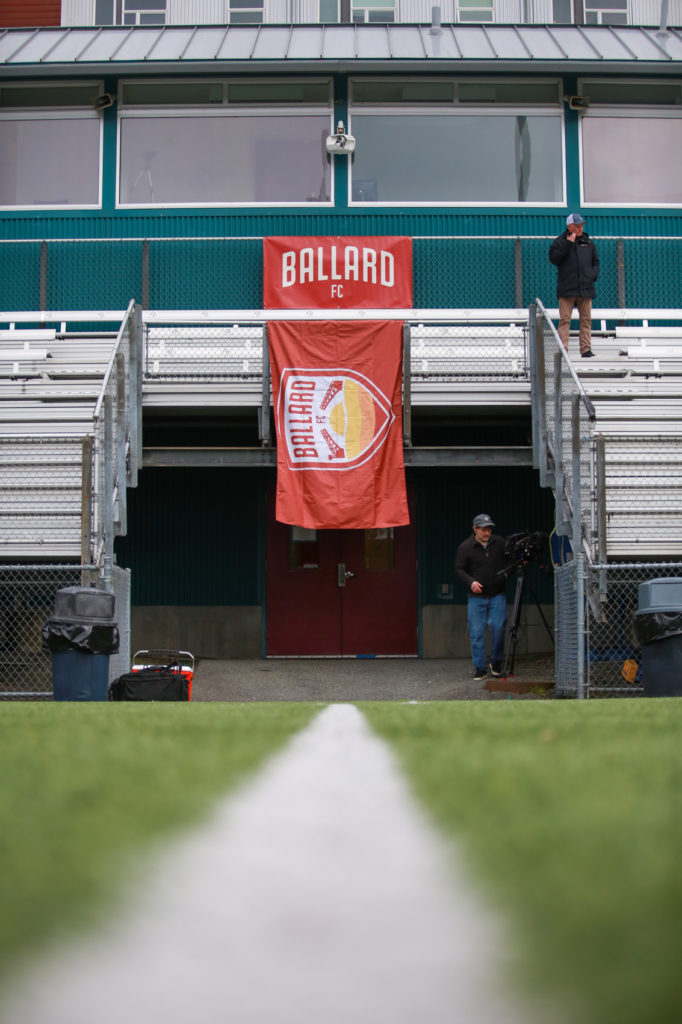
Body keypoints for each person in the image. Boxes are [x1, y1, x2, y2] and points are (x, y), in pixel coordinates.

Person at [455, 513, 510, 681]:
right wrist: (471, 582)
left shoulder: (499, 543)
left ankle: (496, 662)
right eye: (484, 530)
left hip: (497, 594)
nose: (487, 533)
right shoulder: (465, 547)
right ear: (475, 529)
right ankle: (480, 668)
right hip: (476, 597)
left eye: (489, 529)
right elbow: (459, 568)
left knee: (498, 627)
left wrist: (506, 574)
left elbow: (512, 560)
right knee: (476, 632)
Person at [549, 213, 600, 358]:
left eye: (581, 225)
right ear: (569, 226)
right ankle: (563, 350)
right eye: (577, 226)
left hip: (585, 287)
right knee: (565, 320)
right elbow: (554, 259)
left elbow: (595, 262)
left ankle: (585, 349)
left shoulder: (588, 243)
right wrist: (568, 243)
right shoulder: (560, 242)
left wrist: (592, 276)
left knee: (586, 320)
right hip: (567, 289)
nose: (580, 228)